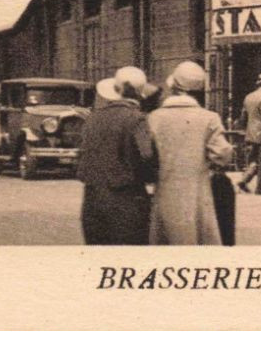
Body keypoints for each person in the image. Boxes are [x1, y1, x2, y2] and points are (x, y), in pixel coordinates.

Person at [148, 60, 235, 245]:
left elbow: (146, 155)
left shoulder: (154, 118)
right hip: (198, 193)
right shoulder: (209, 118)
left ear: (173, 87)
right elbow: (223, 153)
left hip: (164, 191)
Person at [77, 66, 156, 245]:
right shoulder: (137, 119)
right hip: (126, 201)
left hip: (92, 200)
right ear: (140, 92)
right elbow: (147, 156)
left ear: (117, 88)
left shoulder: (92, 118)